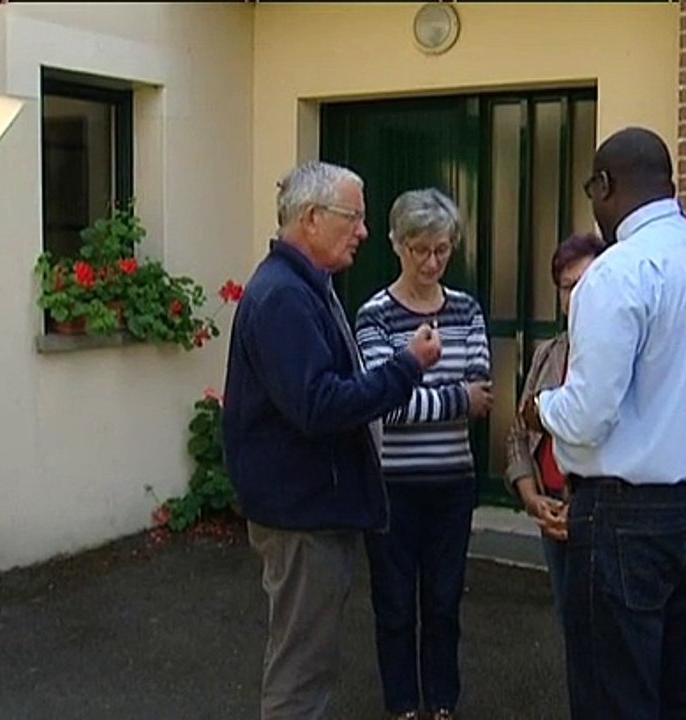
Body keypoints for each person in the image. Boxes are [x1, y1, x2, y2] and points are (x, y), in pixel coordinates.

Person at [519, 127, 686, 720]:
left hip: (624, 515)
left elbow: (587, 416)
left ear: (606, 185)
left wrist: (539, 408)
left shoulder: (617, 272)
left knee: (613, 694)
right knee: (674, 684)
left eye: (594, 190)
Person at [222, 161, 442, 720]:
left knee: (308, 662)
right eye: (354, 218)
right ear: (312, 218)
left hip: (311, 509)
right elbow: (318, 406)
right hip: (302, 518)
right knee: (301, 672)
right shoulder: (285, 298)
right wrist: (406, 367)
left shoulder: (304, 288)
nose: (364, 232)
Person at [354, 188, 492, 720]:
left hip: (452, 481)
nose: (432, 261)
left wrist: (418, 390)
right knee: (393, 604)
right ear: (395, 244)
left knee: (443, 601)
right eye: (420, 250)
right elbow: (384, 405)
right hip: (393, 483)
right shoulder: (375, 317)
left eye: (442, 249)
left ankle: (442, 702)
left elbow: (485, 395)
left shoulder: (466, 309)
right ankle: (402, 705)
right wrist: (453, 397)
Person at [503, 232, 608, 624]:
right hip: (550, 510)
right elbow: (518, 432)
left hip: (598, 514)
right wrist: (531, 498)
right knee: (570, 622)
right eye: (567, 287)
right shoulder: (548, 354)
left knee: (601, 630)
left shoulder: (618, 356)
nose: (576, 296)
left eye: (586, 284)